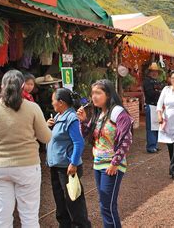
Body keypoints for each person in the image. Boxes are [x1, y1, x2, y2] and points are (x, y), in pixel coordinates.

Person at [0, 70, 52, 227]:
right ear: (22, 86)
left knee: (1, 215)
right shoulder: (32, 108)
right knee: (29, 216)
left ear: (2, 86)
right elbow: (46, 138)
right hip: (28, 167)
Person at [77, 79, 134, 228]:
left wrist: (115, 163)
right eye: (92, 93)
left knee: (107, 206)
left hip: (111, 165)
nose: (94, 96)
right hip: (98, 164)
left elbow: (126, 139)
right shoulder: (98, 114)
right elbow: (86, 134)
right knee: (104, 204)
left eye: (98, 93)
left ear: (108, 95)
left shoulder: (117, 112)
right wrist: (83, 121)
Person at [47, 88, 91, 227]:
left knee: (74, 202)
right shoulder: (59, 116)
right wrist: (49, 126)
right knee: (61, 203)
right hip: (56, 166)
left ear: (61, 102)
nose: (52, 103)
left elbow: (79, 142)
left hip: (67, 167)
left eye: (53, 100)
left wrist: (73, 163)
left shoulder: (71, 118)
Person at [142, 62, 164, 153]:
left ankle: (154, 145)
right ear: (149, 72)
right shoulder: (147, 81)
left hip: (156, 106)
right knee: (151, 128)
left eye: (156, 72)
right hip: (150, 105)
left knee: (156, 127)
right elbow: (150, 93)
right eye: (153, 71)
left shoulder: (157, 81)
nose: (155, 73)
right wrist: (160, 93)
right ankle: (151, 146)